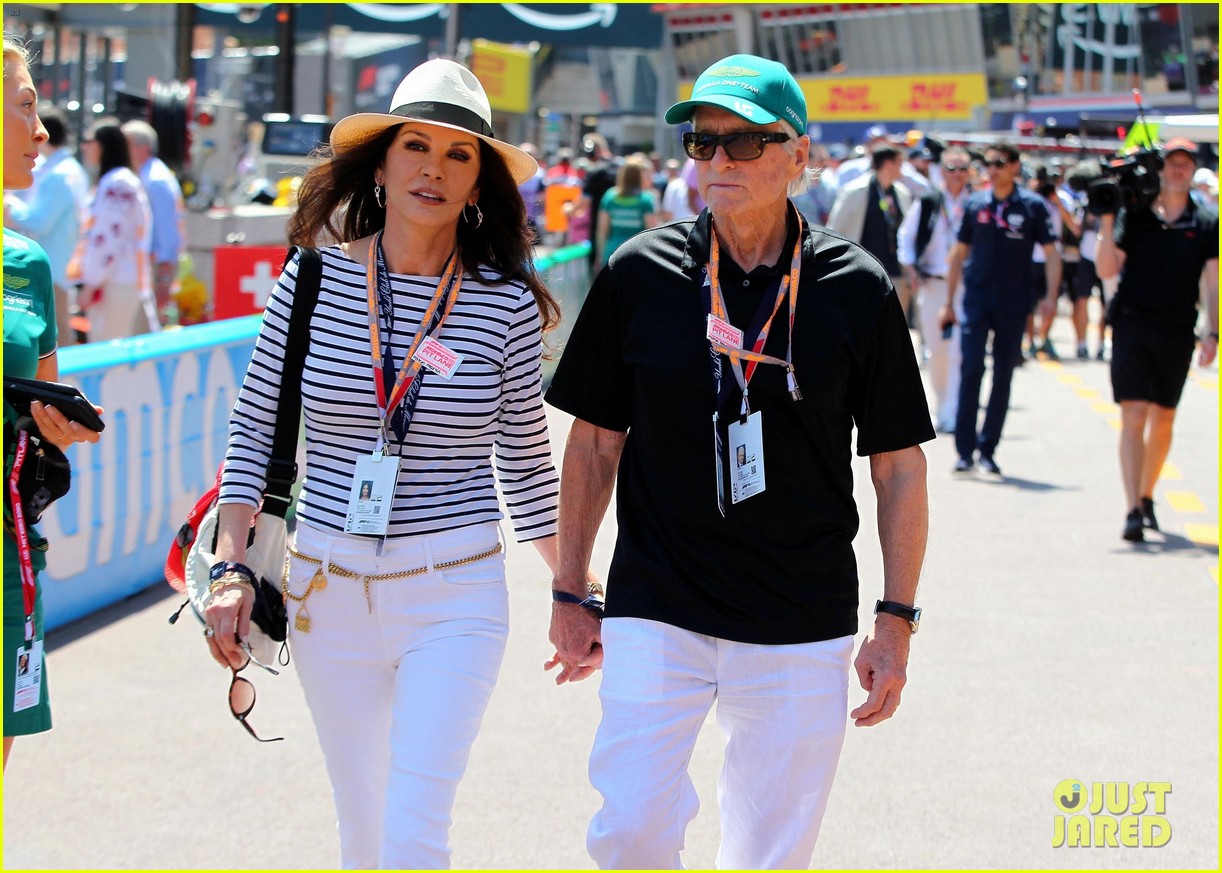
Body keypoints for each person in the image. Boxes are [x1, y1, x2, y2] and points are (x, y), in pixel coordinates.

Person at [544, 53, 932, 869]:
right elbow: (592, 445)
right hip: (658, 600)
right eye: (702, 141)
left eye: (744, 143)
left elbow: (898, 465)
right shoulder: (638, 274)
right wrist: (570, 586)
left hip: (800, 615)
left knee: (769, 852)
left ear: (798, 154)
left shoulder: (856, 288)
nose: (718, 160)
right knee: (631, 830)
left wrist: (896, 619)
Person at [202, 59, 560, 869]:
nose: (433, 167)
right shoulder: (312, 277)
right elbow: (254, 431)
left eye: (459, 154)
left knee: (412, 829)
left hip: (456, 589)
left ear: (478, 185)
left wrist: (578, 584)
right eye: (415, 145)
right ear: (384, 162)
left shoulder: (503, 299)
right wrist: (229, 569)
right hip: (326, 591)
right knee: (364, 834)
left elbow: (530, 466)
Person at [3, 35, 102, 773]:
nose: (42, 130)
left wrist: (59, 431)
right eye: (26, 105)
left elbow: (49, 432)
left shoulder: (28, 264)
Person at [1094, 137, 1218, 542]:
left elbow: (1213, 281)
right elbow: (1107, 267)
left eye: (1185, 163)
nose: (1178, 169)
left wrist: (1213, 332)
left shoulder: (1206, 220)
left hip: (1179, 328)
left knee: (1163, 418)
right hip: (1132, 324)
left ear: (1192, 169)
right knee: (1133, 414)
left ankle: (1147, 495)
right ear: (1161, 169)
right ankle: (1132, 508)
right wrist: (1109, 219)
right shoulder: (1137, 215)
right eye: (1172, 163)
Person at [941, 142, 1061, 477]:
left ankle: (988, 449)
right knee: (971, 370)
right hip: (977, 300)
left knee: (1004, 373)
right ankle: (964, 451)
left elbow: (1052, 254)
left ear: (1014, 167)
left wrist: (1050, 297)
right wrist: (949, 303)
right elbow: (958, 254)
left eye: (1000, 162)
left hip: (1013, 302)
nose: (993, 168)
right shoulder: (976, 203)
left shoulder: (1033, 206)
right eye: (989, 163)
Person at [899, 145, 973, 433]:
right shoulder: (930, 200)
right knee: (937, 349)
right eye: (951, 169)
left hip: (967, 287)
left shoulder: (976, 202)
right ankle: (943, 404)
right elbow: (906, 236)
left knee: (959, 350)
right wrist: (912, 269)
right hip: (933, 285)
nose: (957, 175)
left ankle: (953, 410)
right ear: (942, 172)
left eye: (963, 169)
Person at [3, 104, 89, 346]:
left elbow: (39, 222)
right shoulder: (71, 169)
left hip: (52, 266)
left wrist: (7, 202)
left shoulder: (60, 174)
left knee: (56, 337)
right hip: (61, 263)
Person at [71, 120, 155, 341]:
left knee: (108, 347)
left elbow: (108, 240)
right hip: (117, 279)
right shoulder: (116, 180)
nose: (84, 147)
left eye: (89, 141)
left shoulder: (118, 183)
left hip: (117, 281)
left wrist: (92, 282)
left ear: (103, 145)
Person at [828, 143, 914, 317]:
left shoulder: (901, 193)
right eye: (899, 163)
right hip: (861, 272)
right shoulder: (855, 191)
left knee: (893, 325)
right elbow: (834, 229)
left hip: (895, 271)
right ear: (888, 164)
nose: (902, 169)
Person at [122, 120, 185, 326]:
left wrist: (164, 279)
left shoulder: (155, 180)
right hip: (152, 265)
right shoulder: (147, 175)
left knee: (147, 327)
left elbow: (168, 233)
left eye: (126, 144)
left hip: (157, 267)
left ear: (144, 149)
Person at [594, 157, 658, 267]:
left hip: (612, 253)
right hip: (637, 255)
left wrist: (599, 255)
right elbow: (652, 231)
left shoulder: (610, 196)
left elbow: (602, 230)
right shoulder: (645, 200)